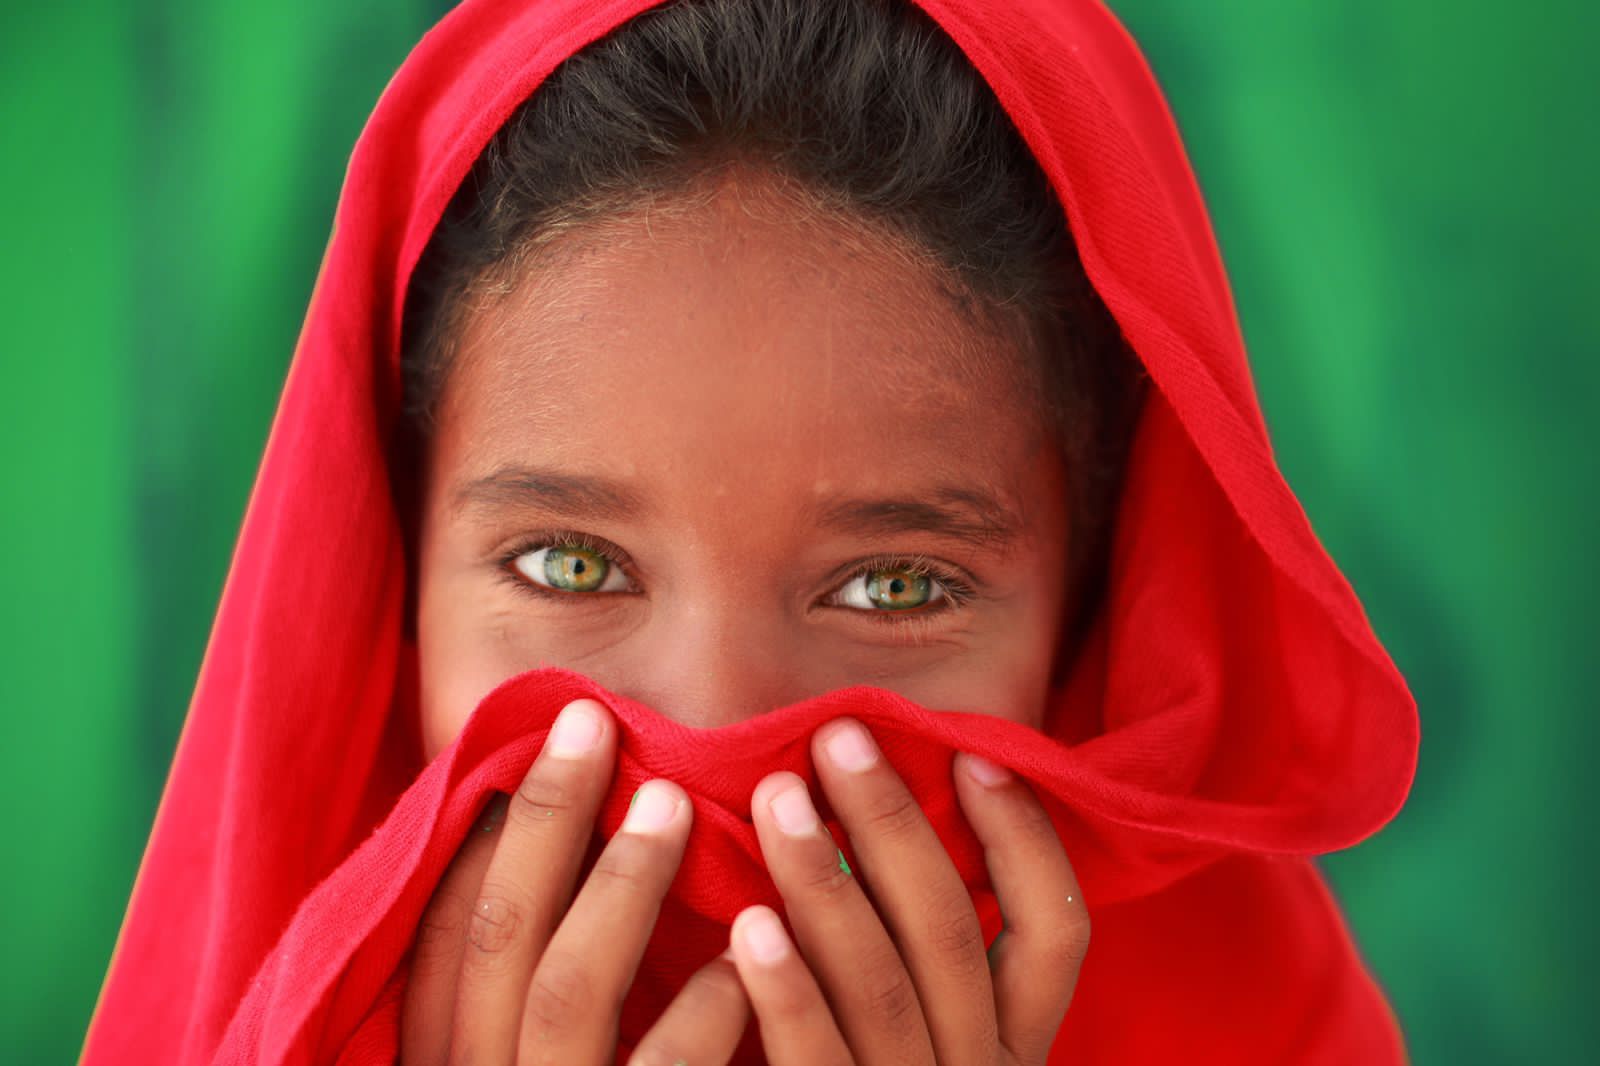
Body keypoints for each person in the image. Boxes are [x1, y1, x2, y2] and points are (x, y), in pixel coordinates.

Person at [81, 0, 1420, 1063]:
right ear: (395, 586)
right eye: (572, 565)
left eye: (896, 584)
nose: (715, 727)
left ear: (1090, 607)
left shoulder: (1265, 1030)